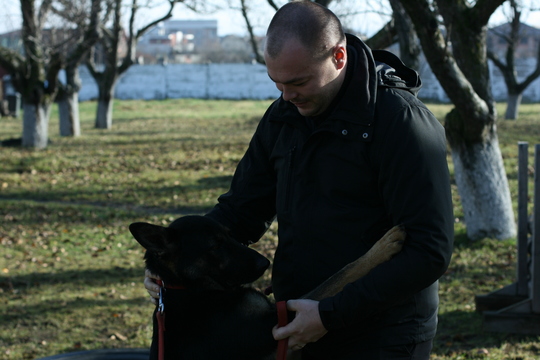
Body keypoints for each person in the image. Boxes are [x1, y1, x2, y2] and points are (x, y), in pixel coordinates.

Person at [144, 1, 454, 359]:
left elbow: (429, 250)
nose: (286, 95)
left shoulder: (401, 123)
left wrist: (330, 314)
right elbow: (241, 211)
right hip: (299, 326)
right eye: (277, 83)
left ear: (339, 57)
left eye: (299, 81)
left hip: (382, 335)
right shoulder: (283, 115)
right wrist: (173, 261)